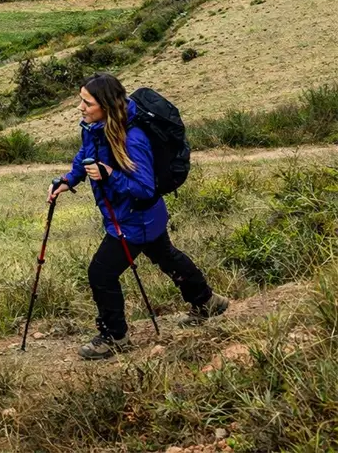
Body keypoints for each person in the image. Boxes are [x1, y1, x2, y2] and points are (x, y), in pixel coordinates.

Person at [49, 73, 229, 360]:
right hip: (136, 218)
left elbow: (145, 189)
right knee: (167, 256)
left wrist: (110, 175)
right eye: (81, 101)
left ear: (105, 105)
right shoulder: (96, 127)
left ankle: (115, 337)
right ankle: (207, 302)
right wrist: (70, 179)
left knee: (102, 273)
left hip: (135, 220)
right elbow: (86, 153)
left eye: (87, 102)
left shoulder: (132, 139)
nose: (81, 107)